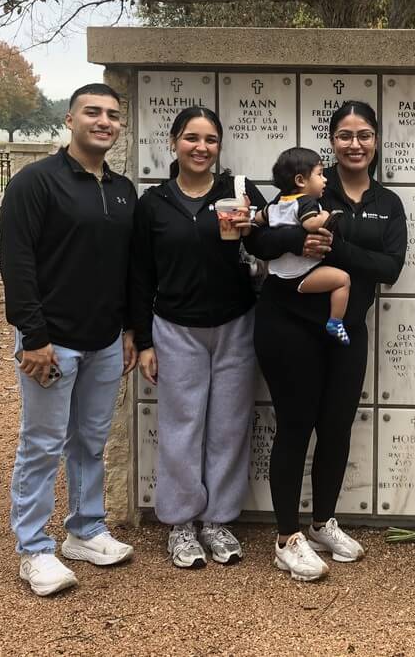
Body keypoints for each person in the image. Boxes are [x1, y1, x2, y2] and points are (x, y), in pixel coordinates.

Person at [246, 101, 407, 582]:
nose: (354, 144)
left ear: (376, 141)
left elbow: (390, 268)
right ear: (331, 142)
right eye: (344, 135)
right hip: (288, 324)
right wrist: (297, 240)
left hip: (345, 330)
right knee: (295, 426)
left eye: (363, 135)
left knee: (336, 427)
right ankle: (286, 537)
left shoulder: (387, 204)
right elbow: (257, 243)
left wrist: (337, 248)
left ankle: (321, 523)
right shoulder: (309, 187)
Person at [0, 83, 137, 597]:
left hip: (104, 340)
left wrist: (127, 330)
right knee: (42, 443)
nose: (104, 121)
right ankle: (34, 548)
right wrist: (32, 336)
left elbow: (125, 268)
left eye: (113, 115)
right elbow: (17, 263)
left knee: (90, 441)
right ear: (69, 119)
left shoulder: (122, 190)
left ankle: (85, 529)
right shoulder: (36, 183)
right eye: (93, 112)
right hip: (51, 341)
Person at [129, 106, 267, 569]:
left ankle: (218, 520)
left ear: (220, 146)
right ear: (173, 142)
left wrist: (258, 227)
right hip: (176, 328)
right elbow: (140, 276)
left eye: (210, 139)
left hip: (235, 324)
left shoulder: (239, 193)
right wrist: (144, 340)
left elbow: (274, 240)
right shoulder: (154, 204)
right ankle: (182, 523)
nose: (201, 147)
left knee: (229, 425)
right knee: (181, 426)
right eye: (191, 138)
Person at [253, 146, 352, 345]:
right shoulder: (306, 203)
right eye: (320, 174)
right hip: (301, 275)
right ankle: (336, 321)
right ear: (300, 180)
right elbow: (310, 224)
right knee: (343, 280)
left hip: (277, 273)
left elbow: (257, 218)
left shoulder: (276, 204)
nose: (325, 180)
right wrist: (326, 216)